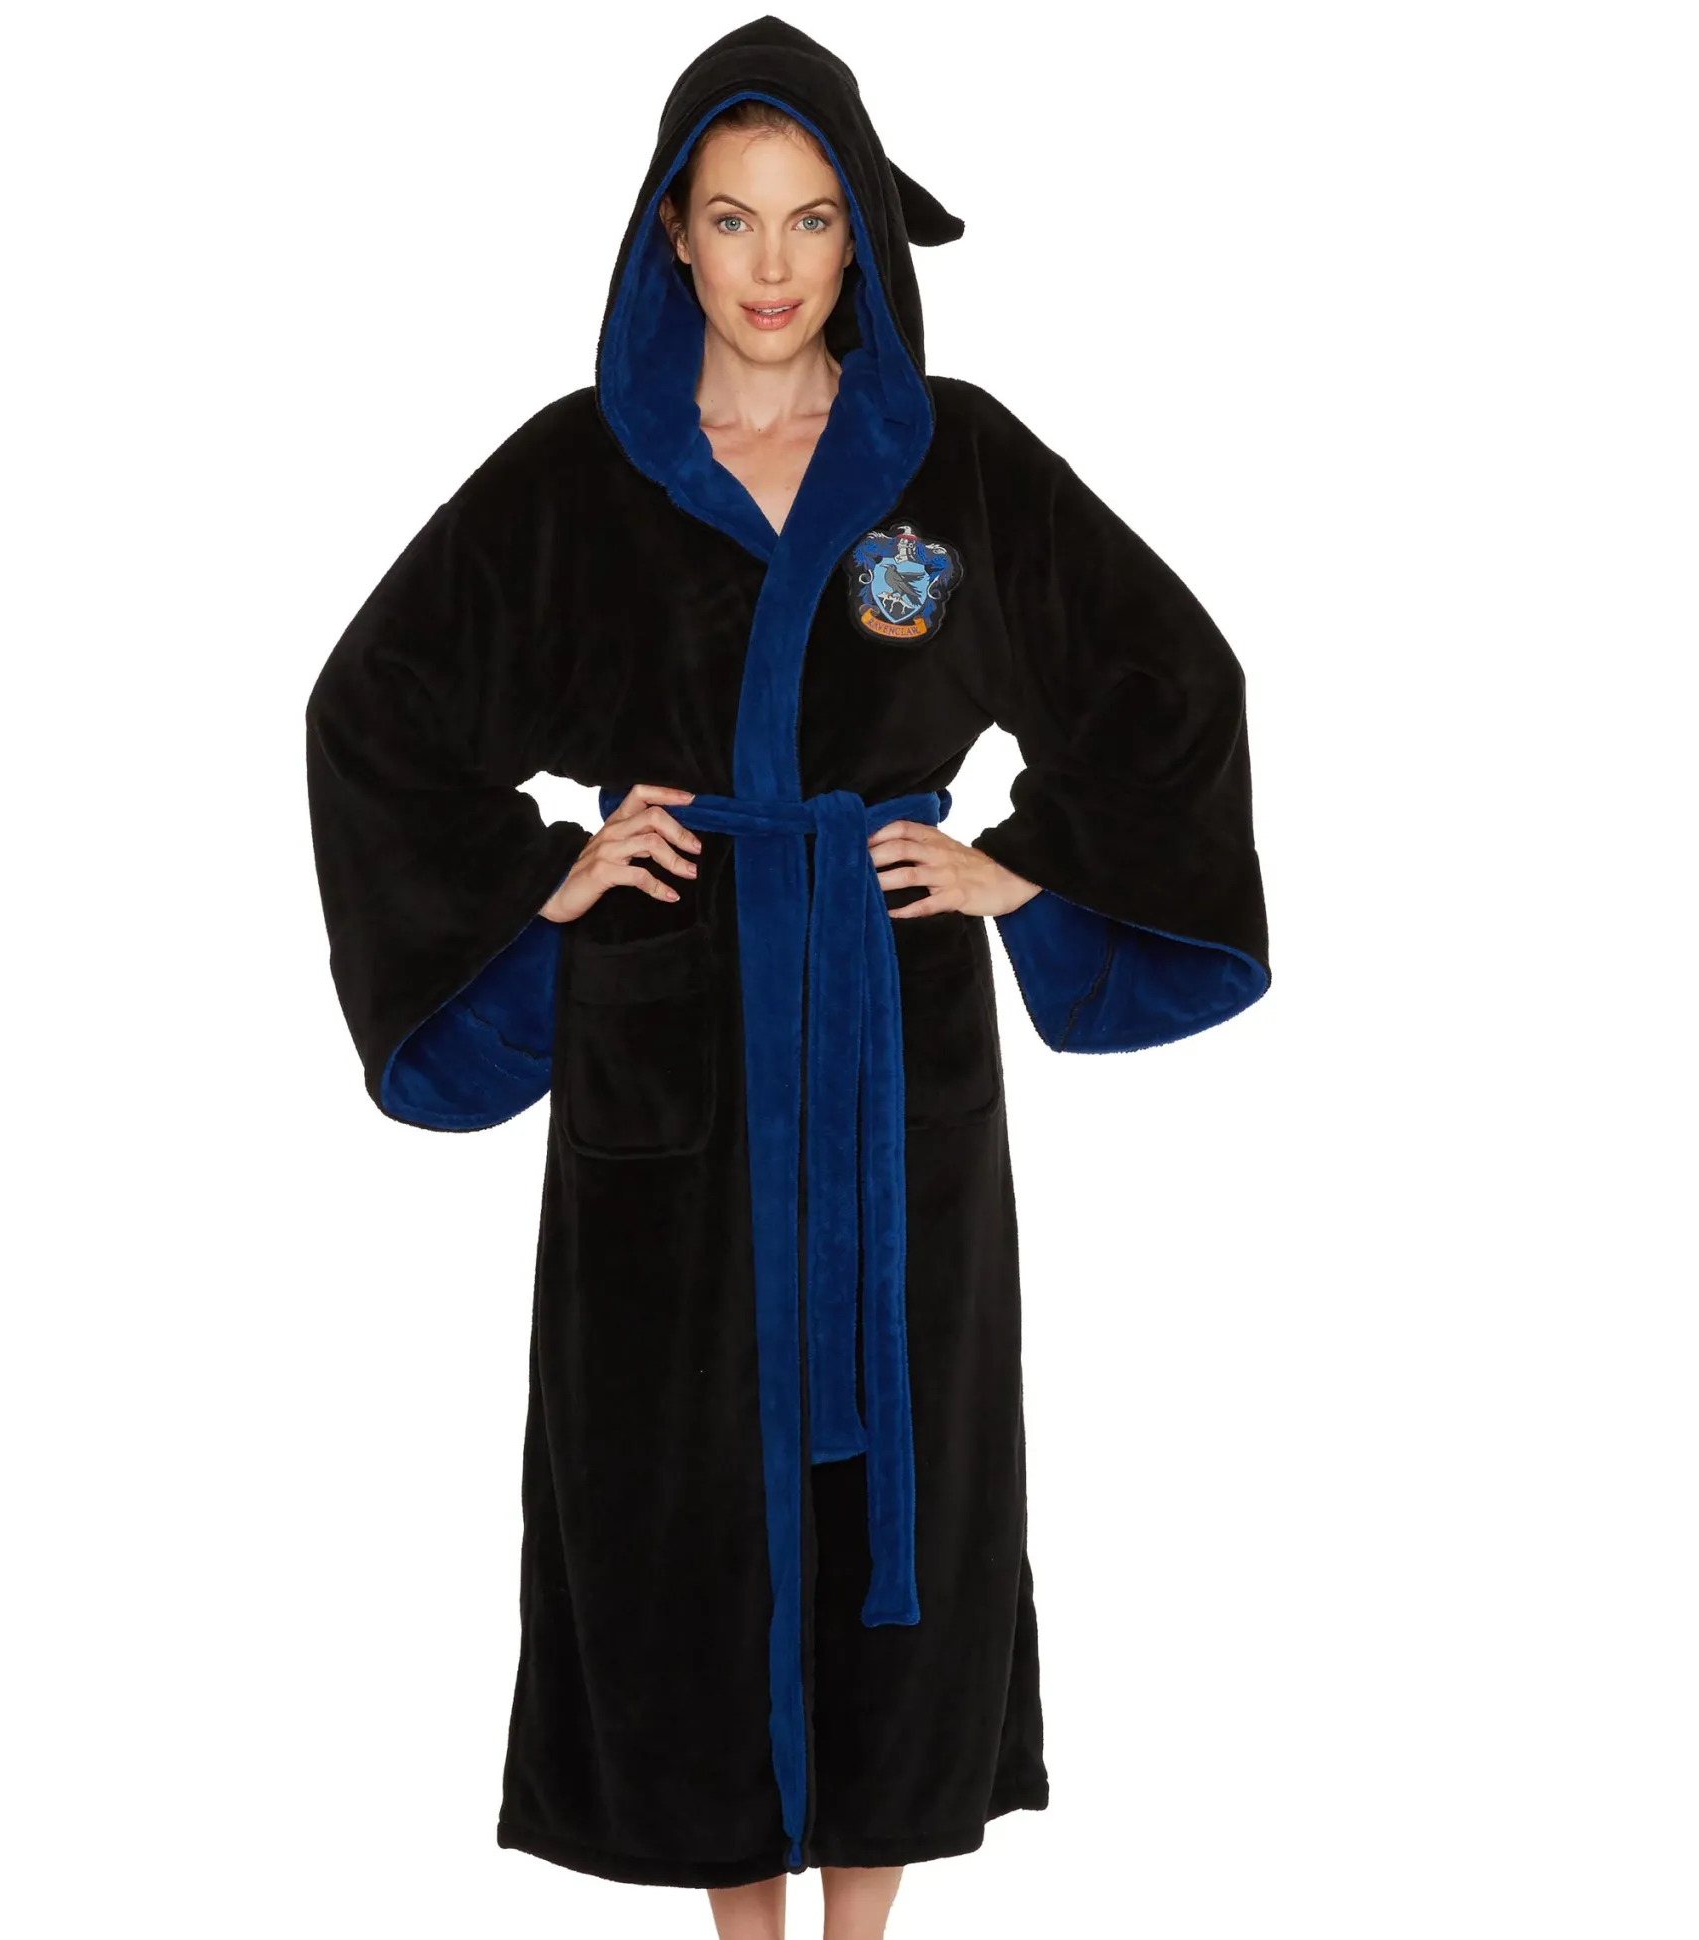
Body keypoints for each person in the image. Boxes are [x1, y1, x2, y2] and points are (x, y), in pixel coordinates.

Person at [304, 16, 1269, 1938]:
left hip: (893, 1042)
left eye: (812, 219)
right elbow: (374, 709)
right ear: (670, 232)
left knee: (904, 1477)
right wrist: (551, 877)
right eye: (733, 219)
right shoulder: (582, 470)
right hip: (668, 1053)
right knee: (678, 1499)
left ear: (862, 237)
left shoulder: (952, 461)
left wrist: (1020, 872)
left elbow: (1174, 685)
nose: (770, 265)